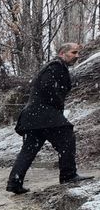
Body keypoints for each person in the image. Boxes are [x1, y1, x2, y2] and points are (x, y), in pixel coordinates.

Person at [7, 43, 92, 194]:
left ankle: (14, 182)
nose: (77, 56)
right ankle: (68, 175)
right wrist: (57, 104)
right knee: (67, 137)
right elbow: (48, 87)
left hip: (33, 116)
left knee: (28, 150)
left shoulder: (54, 67)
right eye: (73, 52)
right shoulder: (56, 66)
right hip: (44, 113)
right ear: (62, 53)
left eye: (78, 53)